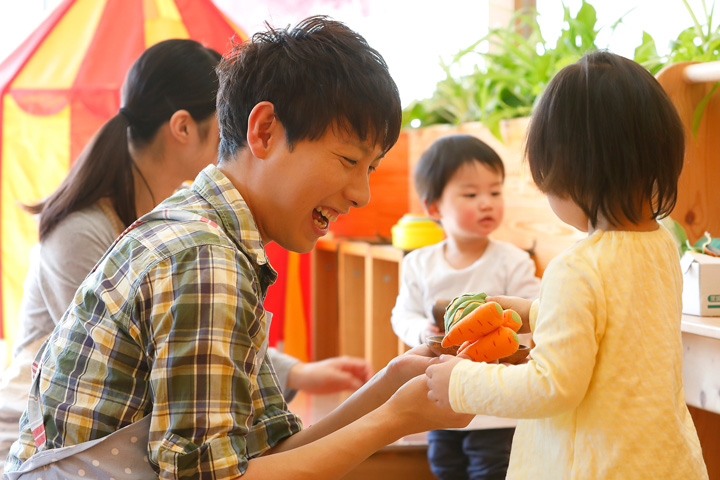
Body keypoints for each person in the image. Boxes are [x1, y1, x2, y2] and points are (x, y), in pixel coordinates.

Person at [4, 16, 471, 479]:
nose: (361, 194)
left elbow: (271, 453)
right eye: (349, 159)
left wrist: (391, 385)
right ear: (264, 130)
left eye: (370, 168)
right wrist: (396, 419)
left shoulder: (216, 242)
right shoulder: (204, 258)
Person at [426, 51, 709, 479]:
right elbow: (617, 330)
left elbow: (550, 387)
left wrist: (458, 382)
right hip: (663, 460)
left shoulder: (577, 268)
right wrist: (529, 312)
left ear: (570, 175)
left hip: (595, 465)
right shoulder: (661, 245)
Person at [390, 134, 540, 480]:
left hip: (496, 405)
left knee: (492, 470)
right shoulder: (419, 264)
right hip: (438, 397)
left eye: (495, 192)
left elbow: (534, 315)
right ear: (434, 208)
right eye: (471, 194)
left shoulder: (513, 261)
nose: (487, 203)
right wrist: (421, 331)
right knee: (445, 467)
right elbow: (403, 314)